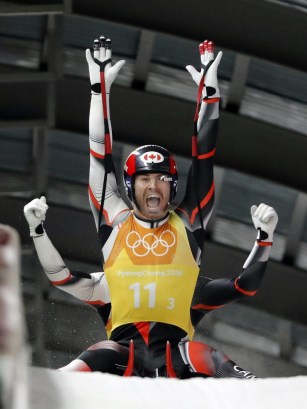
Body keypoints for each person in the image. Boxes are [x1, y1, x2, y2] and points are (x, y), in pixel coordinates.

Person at [24, 38, 278, 378]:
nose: (153, 186)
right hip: (119, 356)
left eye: (161, 179)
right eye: (144, 179)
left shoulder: (188, 222)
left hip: (180, 357)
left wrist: (209, 95)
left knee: (210, 358)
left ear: (173, 186)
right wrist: (99, 92)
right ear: (129, 187)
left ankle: (258, 391)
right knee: (94, 356)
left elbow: (204, 157)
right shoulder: (114, 219)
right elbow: (98, 152)